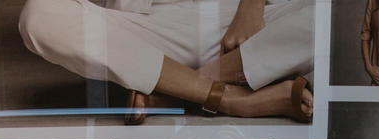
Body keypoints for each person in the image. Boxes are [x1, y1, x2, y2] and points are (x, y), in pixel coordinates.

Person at [18, 0, 314, 124]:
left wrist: (251, 5)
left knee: (323, 15)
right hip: (149, 30)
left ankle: (175, 94)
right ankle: (229, 99)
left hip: (238, 24)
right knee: (40, 15)